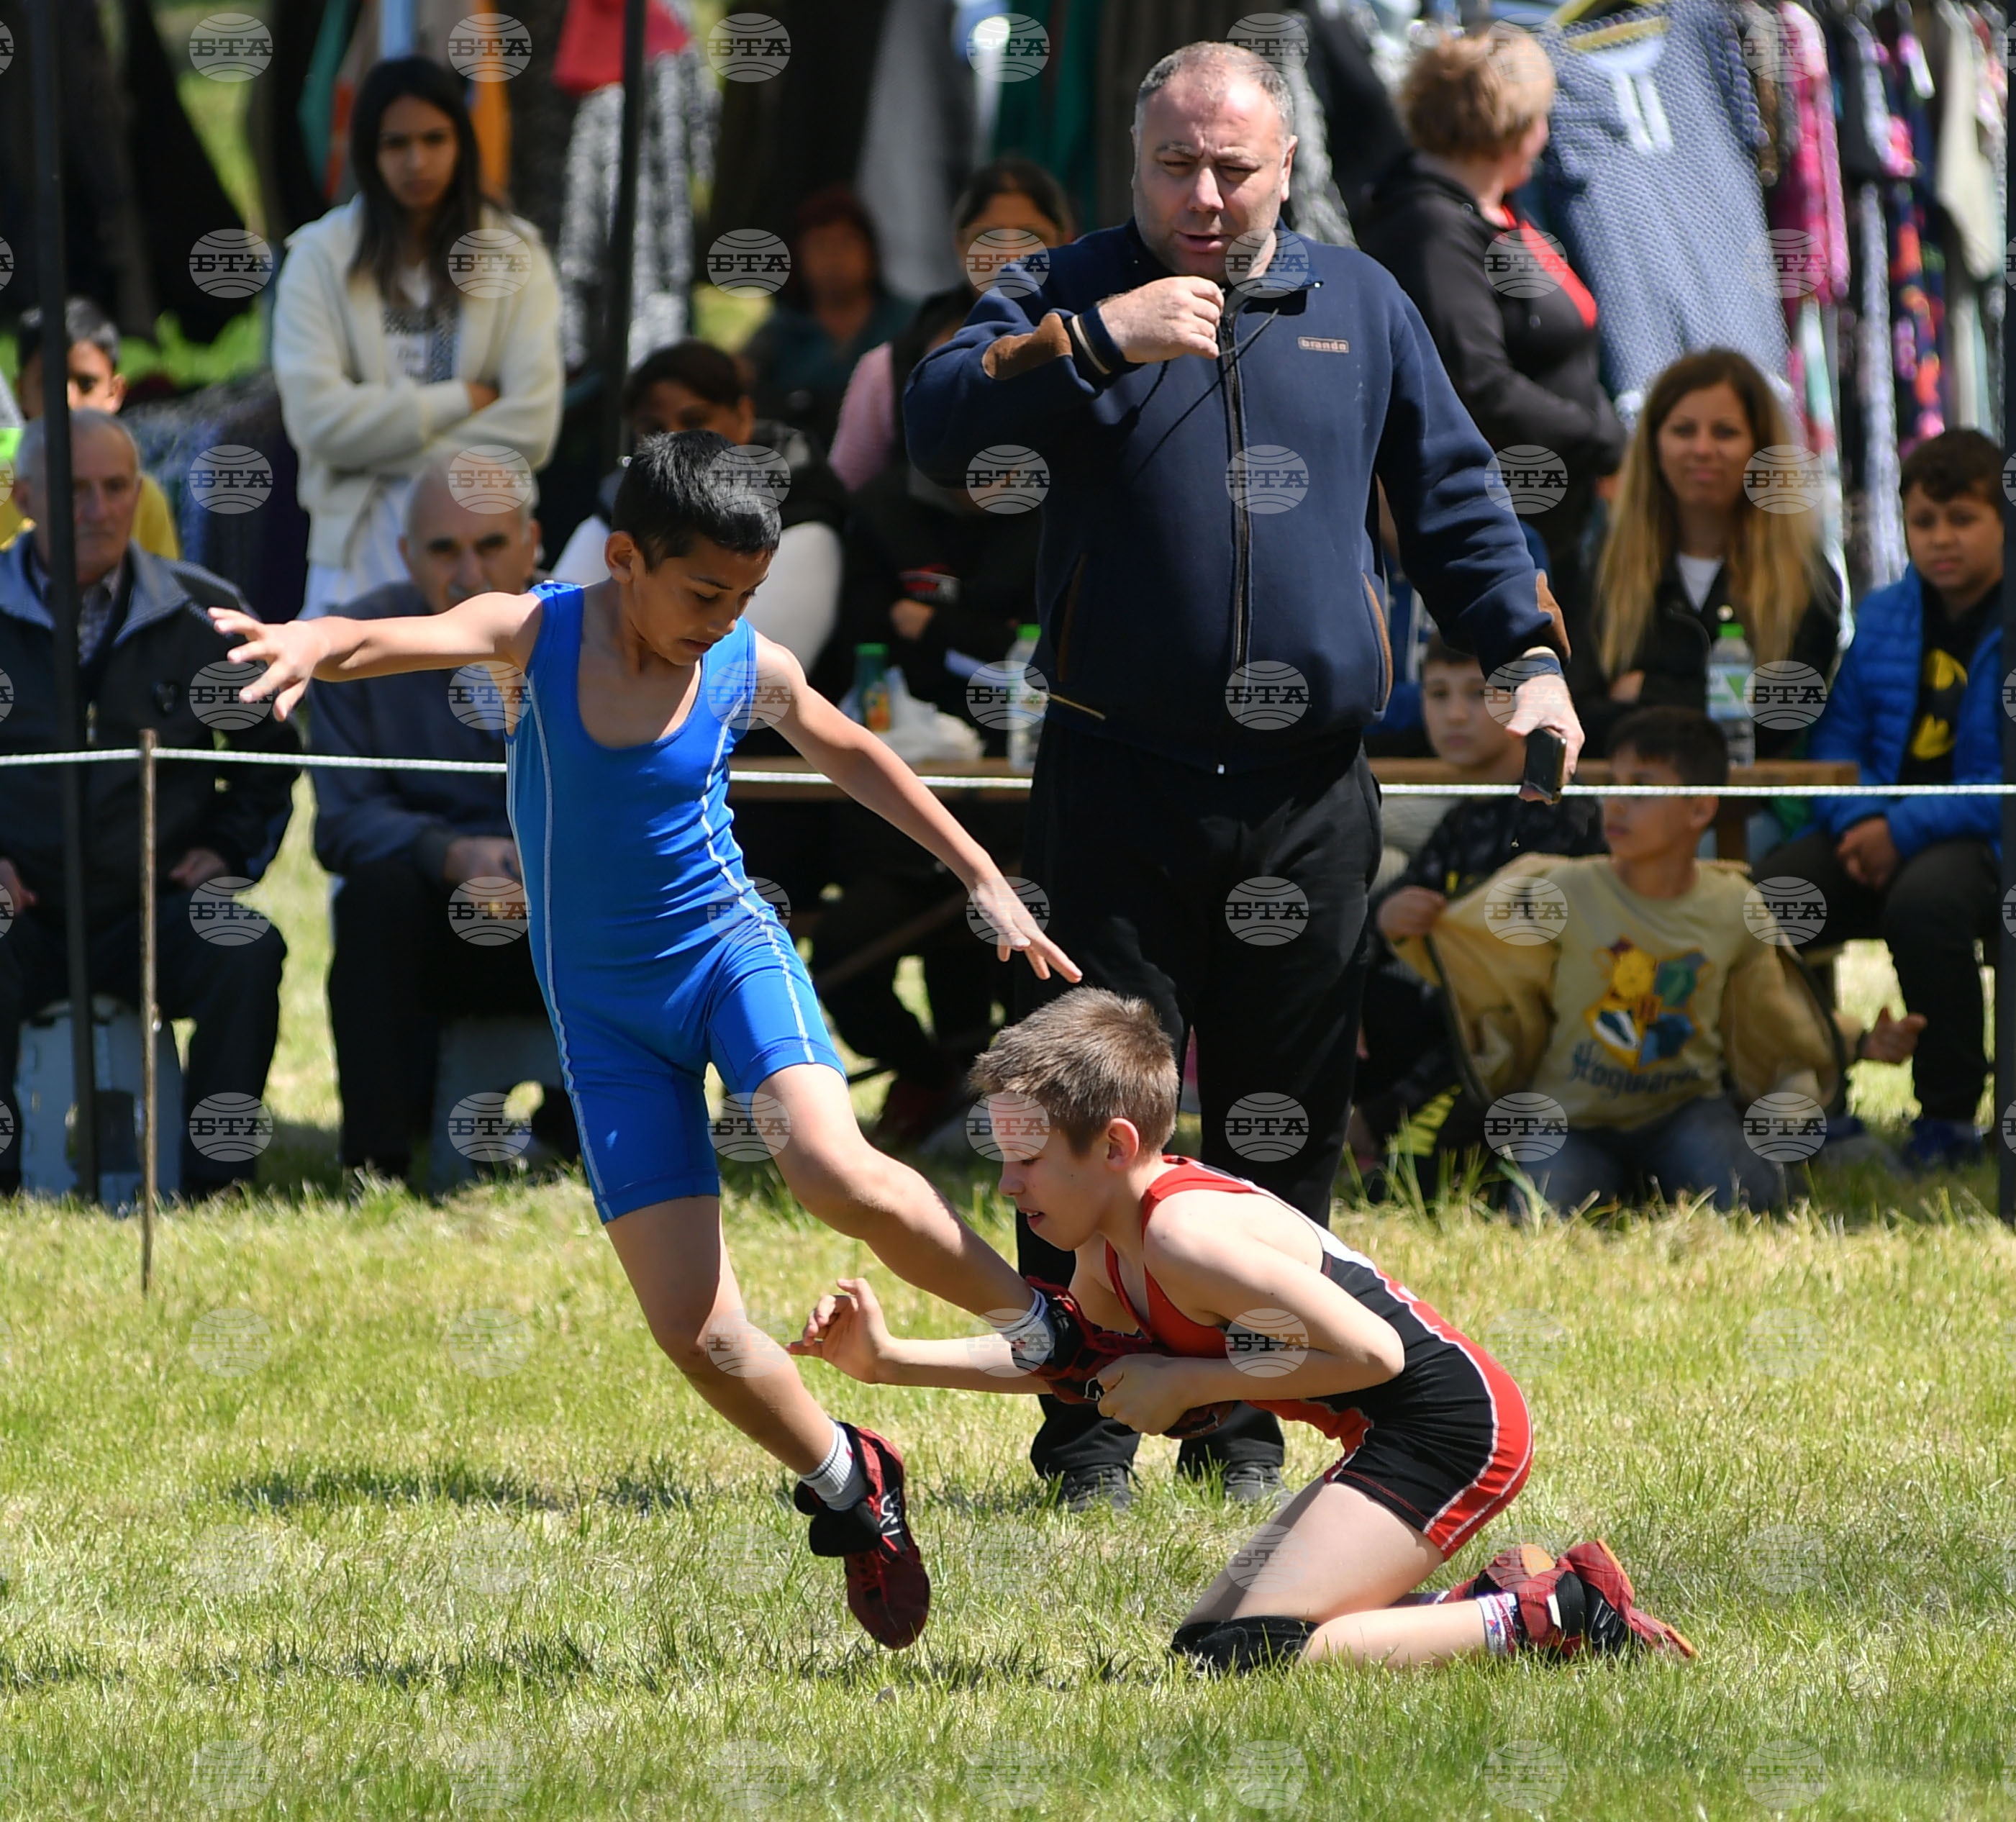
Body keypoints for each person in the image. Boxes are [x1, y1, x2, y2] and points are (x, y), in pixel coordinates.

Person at [208, 429, 1085, 1653]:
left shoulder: (741, 657)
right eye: (701, 593)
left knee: (830, 1170)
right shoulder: (542, 631)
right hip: (608, 1016)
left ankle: (1053, 1329)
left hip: (728, 954)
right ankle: (849, 1481)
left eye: (744, 598)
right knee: (699, 1329)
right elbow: (404, 636)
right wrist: (308, 641)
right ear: (623, 557)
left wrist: (983, 873)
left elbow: (852, 749)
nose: (722, 620)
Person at [907, 38, 1583, 1510]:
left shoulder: (1364, 302)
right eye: (1175, 165)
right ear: (1133, 165)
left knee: (1278, 1119)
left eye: (1235, 167)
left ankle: (1246, 1420)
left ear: (1288, 168)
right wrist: (1097, 339)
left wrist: (1527, 653)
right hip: (1115, 775)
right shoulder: (1071, 286)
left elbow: (1459, 497)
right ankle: (1082, 1435)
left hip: (1307, 794)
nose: (1205, 194)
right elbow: (939, 420)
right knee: (1077, 1124)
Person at [792, 989, 1697, 1671]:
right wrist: (886, 1361)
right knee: (1207, 1644)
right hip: (1388, 1432)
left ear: (1112, 1147)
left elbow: (1373, 1354)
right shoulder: (1107, 1249)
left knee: (1248, 1651)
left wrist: (1195, 1382)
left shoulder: (1184, 1236)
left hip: (1454, 1428)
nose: (1008, 1188)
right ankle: (1496, 1600)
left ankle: (1562, 1611)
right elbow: (1064, 1364)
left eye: (1026, 1161)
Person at [0, 411, 297, 1197]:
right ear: (24, 495)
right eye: (72, 490)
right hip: (20, 907)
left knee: (247, 949)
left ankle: (216, 1183)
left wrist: (230, 851)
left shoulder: (204, 615)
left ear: (140, 495)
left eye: (115, 487)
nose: (97, 508)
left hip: (151, 906)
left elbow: (272, 760)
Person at [1393, 709, 1853, 1216]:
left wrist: (1858, 1039)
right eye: (1612, 783)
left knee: (1753, 1204)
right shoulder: (1558, 887)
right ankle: (1622, 1185)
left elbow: (1776, 1019)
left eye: (1641, 788)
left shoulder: (1732, 906)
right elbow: (1468, 947)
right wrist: (1405, 922)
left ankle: (1651, 1182)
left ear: (1698, 808)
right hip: (1568, 1120)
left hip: (1685, 1113)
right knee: (1539, 1217)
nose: (1615, 803)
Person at [309, 455, 576, 1184]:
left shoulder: (592, 639)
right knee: (373, 896)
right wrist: (448, 852)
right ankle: (377, 1165)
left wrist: (539, 858)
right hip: (430, 920)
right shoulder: (354, 644)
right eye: (443, 548)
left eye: (491, 544)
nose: (470, 569)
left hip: (567, 914)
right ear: (405, 555)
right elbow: (341, 824)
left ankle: (607, 1136)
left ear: (532, 543)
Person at [1756, 430, 2004, 1171]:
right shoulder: (1888, 615)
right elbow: (1836, 741)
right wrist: (1862, 819)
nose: (1940, 539)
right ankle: (1815, 1097)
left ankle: (1949, 1118)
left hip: (1983, 841)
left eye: (1962, 519)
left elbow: (2000, 783)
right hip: (1874, 833)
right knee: (1770, 897)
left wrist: (1898, 830)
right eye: (1924, 522)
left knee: (1926, 904)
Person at [273, 56, 563, 620]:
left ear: (462, 142)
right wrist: (460, 399)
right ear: (367, 152)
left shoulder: (516, 252)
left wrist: (378, 449)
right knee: (362, 701)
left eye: (435, 139)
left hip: (486, 542)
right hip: (358, 542)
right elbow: (318, 422)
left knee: (493, 704)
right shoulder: (318, 258)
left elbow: (533, 424)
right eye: (395, 143)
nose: (417, 161)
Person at [1359, 25, 1623, 623]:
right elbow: (1476, 384)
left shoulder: (1491, 209)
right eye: (1540, 119)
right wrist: (1605, 442)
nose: (1546, 136)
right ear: (1510, 128)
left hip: (1559, 516)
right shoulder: (1429, 228)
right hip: (1504, 534)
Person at [1351, 635, 1607, 1179]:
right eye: (1439, 694)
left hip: (1534, 1042)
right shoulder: (1470, 815)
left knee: (1444, 1170)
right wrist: (1387, 917)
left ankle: (1384, 1128)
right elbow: (1394, 912)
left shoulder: (1567, 814)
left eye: (1480, 695)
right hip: (1453, 1024)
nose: (1456, 715)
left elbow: (1527, 992)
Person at [1571, 348, 1840, 758]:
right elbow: (1583, 716)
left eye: (1725, 432)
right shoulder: (1602, 564)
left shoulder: (1807, 578)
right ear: (1653, 446)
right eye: (1683, 430)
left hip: (1752, 815)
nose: (1702, 449)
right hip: (1625, 805)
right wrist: (1723, 704)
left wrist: (1647, 689)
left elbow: (1780, 723)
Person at [550, 340, 848, 676]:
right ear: (619, 554)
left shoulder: (803, 519)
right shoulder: (611, 513)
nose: (675, 439)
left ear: (744, 417)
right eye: (654, 429)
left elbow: (747, 685)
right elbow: (553, 651)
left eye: (695, 420)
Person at [828, 158, 1076, 492]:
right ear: (960, 246)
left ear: (1065, 241)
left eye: (1031, 236)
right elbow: (846, 495)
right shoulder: (890, 368)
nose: (1010, 255)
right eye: (988, 237)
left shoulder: (1099, 349)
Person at [5, 296, 181, 561]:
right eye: (50, 383)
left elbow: (163, 592)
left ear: (115, 392)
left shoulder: (144, 498)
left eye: (86, 384)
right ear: (21, 393)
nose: (68, 400)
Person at [742, 186, 914, 453]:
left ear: (871, 252)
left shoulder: (910, 322)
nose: (835, 259)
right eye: (820, 245)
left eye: (847, 242)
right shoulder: (779, 332)